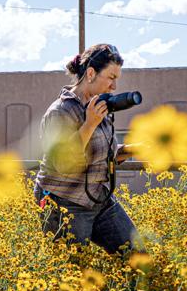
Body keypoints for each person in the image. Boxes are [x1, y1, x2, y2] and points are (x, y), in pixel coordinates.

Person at [34, 43, 140, 254]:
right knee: (74, 275)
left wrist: (134, 149)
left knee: (138, 257)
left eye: (117, 79)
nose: (114, 87)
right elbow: (63, 163)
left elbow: (101, 154)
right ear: (91, 73)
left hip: (99, 199)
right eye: (111, 78)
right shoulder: (61, 111)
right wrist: (89, 124)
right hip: (65, 203)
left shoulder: (100, 107)